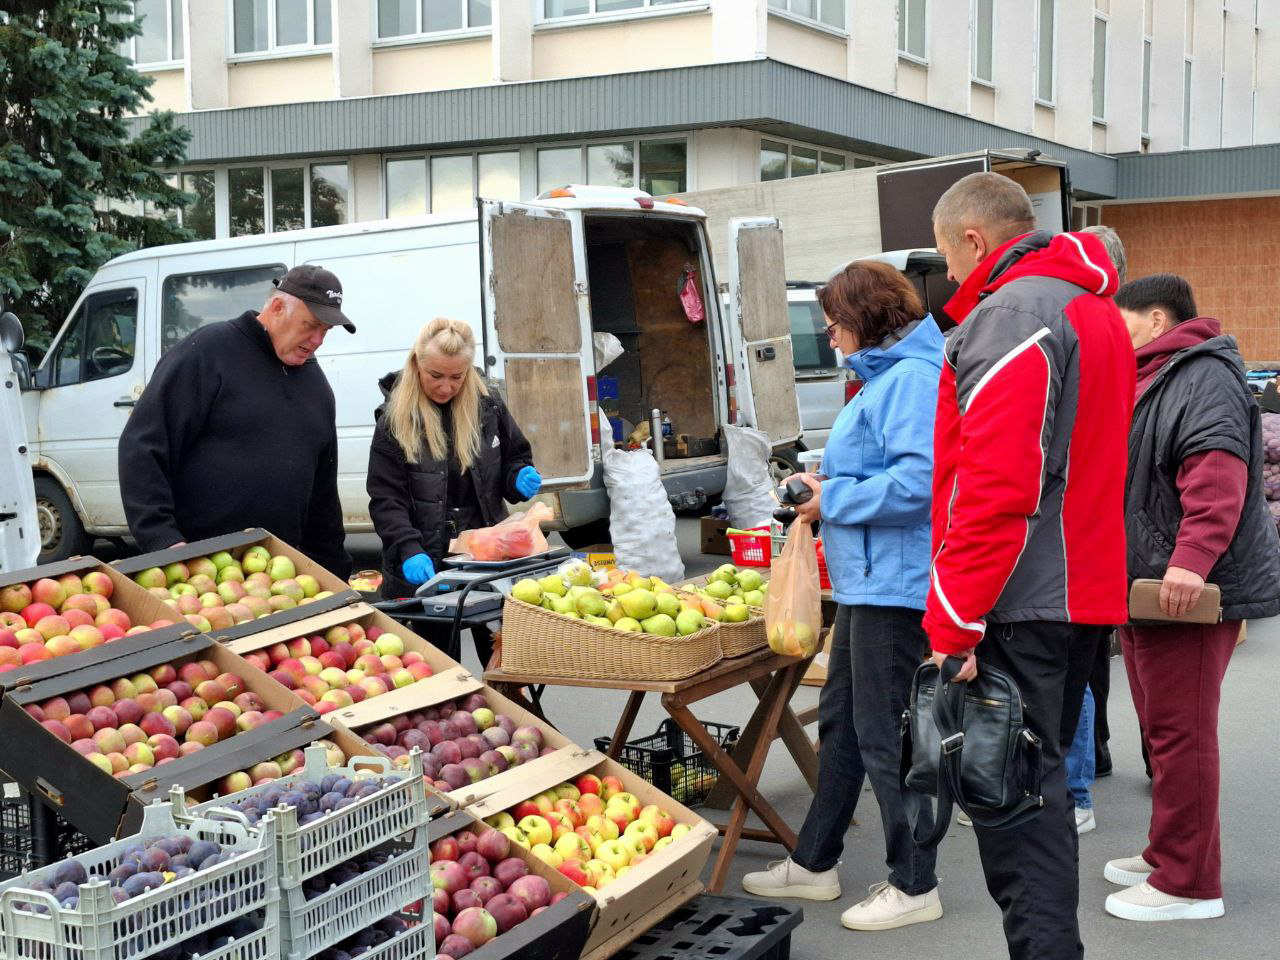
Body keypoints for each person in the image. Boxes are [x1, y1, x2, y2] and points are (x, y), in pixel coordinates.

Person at [925, 173, 1134, 960]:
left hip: (1022, 599)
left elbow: (997, 487)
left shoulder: (1014, 313)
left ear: (974, 239)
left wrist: (953, 620)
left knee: (1015, 813)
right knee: (1036, 799)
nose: (949, 274)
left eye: (947, 256)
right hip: (1077, 589)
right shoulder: (1089, 306)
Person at [742, 261, 944, 932]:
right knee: (842, 721)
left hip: (896, 583)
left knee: (885, 734)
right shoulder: (886, 376)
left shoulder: (911, 380)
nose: (829, 336)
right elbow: (878, 469)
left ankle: (915, 883)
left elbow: (918, 485)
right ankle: (815, 861)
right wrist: (819, 483)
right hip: (868, 579)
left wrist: (833, 498)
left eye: (833, 324)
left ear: (864, 318)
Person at [1104, 274, 1280, 922]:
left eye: (1121, 322)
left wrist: (1191, 561)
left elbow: (1216, 472)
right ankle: (1167, 853)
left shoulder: (1200, 375)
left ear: (1156, 320)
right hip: (1147, 585)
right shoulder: (1159, 375)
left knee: (1183, 736)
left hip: (1181, 587)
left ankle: (1189, 885)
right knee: (1162, 730)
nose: (1114, 335)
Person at [119, 265, 353, 578]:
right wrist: (162, 540)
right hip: (196, 568)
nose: (318, 340)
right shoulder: (209, 351)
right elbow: (142, 446)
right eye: (311, 325)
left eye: (326, 331)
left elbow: (323, 490)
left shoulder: (315, 383)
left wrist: (334, 569)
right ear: (277, 307)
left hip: (280, 578)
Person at [367, 317, 539, 667]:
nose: (446, 387)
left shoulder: (488, 406)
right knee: (439, 670)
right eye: (436, 376)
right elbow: (387, 499)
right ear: (417, 365)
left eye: (457, 377)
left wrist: (518, 476)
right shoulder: (394, 421)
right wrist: (407, 548)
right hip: (425, 559)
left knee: (505, 664)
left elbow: (514, 456)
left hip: (486, 558)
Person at [1078, 223, 1128, 779]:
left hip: (1094, 521)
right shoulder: (1114, 328)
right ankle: (1101, 746)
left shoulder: (1093, 328)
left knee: (1088, 651)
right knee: (1097, 648)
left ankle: (1094, 750)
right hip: (1110, 520)